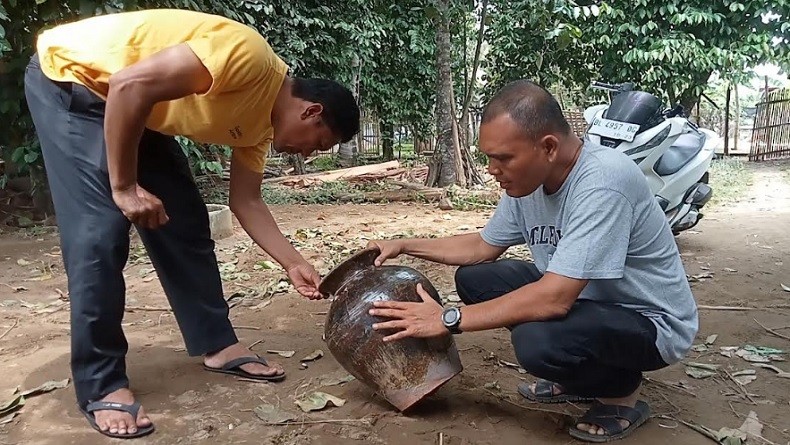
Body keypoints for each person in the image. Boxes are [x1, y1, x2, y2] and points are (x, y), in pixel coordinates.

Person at [24, 8, 359, 439]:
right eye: (320, 144)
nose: (310, 154)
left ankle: (216, 343)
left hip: (135, 106)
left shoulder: (258, 131)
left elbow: (247, 201)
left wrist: (292, 262)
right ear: (312, 111)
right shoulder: (251, 58)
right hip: (76, 81)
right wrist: (124, 187)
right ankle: (101, 382)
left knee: (184, 219)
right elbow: (129, 82)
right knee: (100, 232)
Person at [366, 80, 697, 443]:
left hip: (649, 322)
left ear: (549, 147)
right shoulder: (528, 181)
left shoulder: (603, 181)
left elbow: (554, 299)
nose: (492, 169)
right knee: (477, 279)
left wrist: (448, 319)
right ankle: (580, 375)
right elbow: (482, 246)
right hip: (588, 301)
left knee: (537, 340)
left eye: (503, 158)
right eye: (489, 157)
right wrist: (403, 244)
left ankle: (620, 393)